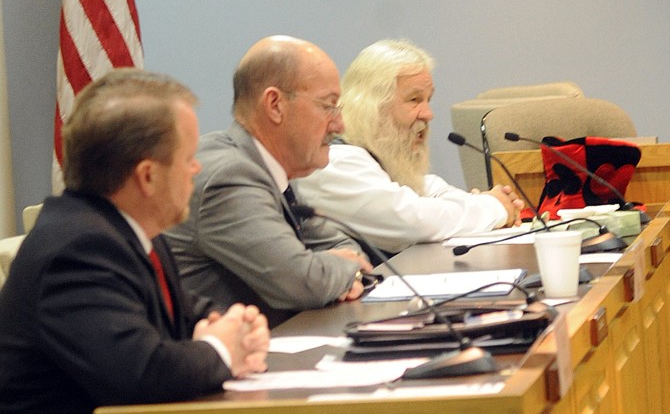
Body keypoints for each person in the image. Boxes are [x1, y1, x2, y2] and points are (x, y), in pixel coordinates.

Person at [0, 69, 270, 413]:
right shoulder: (77, 250)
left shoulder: (127, 231)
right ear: (148, 176)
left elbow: (181, 313)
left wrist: (234, 325)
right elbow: (142, 374)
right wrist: (221, 349)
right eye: (188, 158)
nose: (196, 169)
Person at [164, 36, 373, 328]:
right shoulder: (229, 177)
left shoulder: (271, 167)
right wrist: (344, 267)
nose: (339, 125)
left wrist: (338, 267)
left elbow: (341, 245)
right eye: (328, 107)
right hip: (224, 364)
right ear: (275, 105)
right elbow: (302, 282)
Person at [295, 39, 524, 255]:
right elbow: (412, 220)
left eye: (428, 100)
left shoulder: (377, 158)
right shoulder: (335, 162)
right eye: (414, 100)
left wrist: (481, 203)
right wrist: (494, 207)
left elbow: (432, 190)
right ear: (372, 107)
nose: (428, 114)